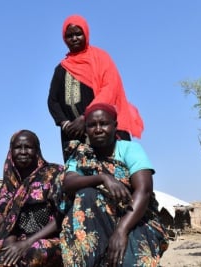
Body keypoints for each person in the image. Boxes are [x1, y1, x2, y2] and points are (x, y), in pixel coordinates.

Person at [52, 103, 168, 266]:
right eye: (92, 125)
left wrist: (121, 231)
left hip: (134, 218)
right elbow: (68, 183)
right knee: (86, 194)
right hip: (96, 222)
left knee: (128, 261)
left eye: (104, 123)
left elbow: (144, 191)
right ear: (86, 129)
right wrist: (102, 178)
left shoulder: (130, 149)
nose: (98, 129)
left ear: (115, 126)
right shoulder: (80, 155)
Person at [47, 14, 144, 161]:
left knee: (113, 171)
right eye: (69, 36)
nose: (74, 38)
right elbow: (53, 101)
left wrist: (86, 117)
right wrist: (65, 124)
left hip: (101, 128)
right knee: (79, 176)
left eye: (78, 34)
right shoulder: (61, 69)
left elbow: (110, 88)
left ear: (86, 33)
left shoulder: (100, 58)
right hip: (73, 135)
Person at [0, 130, 63, 267]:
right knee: (2, 261)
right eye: (18, 147)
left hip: (50, 238)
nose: (23, 151)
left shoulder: (54, 174)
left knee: (33, 252)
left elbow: (62, 217)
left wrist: (27, 243)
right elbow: (8, 224)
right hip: (21, 240)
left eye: (28, 147)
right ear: (11, 151)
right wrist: (11, 244)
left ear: (37, 150)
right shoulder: (9, 185)